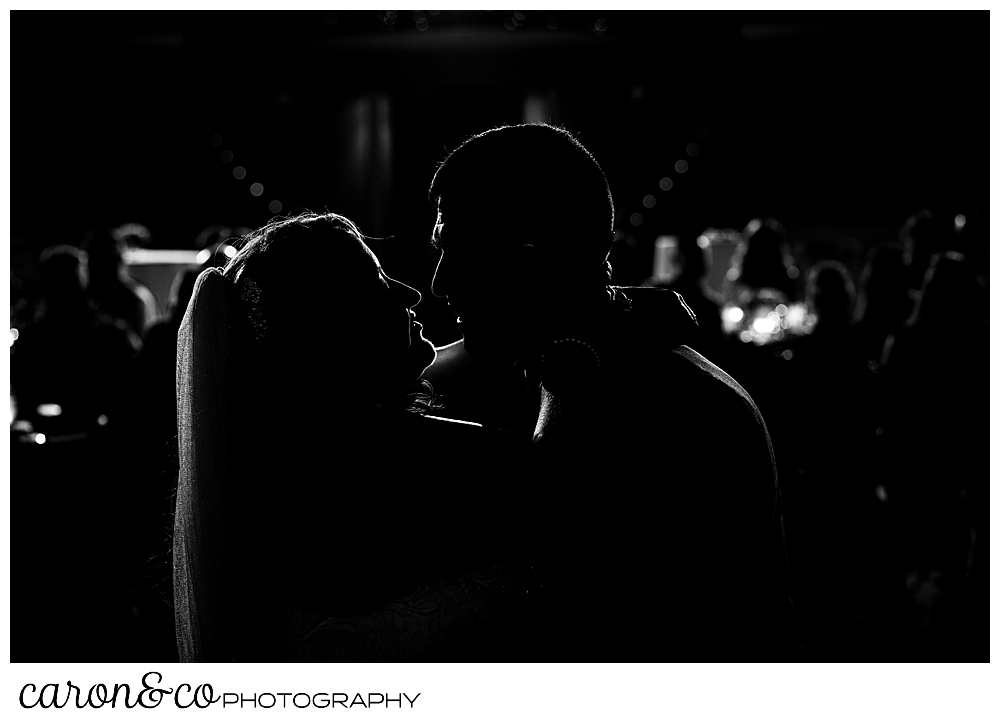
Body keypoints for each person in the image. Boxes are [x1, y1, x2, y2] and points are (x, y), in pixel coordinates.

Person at [422, 123, 794, 659]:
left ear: (561, 254)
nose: (439, 281)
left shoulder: (686, 414)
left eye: (463, 251)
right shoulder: (529, 370)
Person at [173, 212, 549, 662]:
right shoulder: (444, 460)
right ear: (335, 326)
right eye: (379, 282)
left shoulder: (286, 469)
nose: (411, 293)